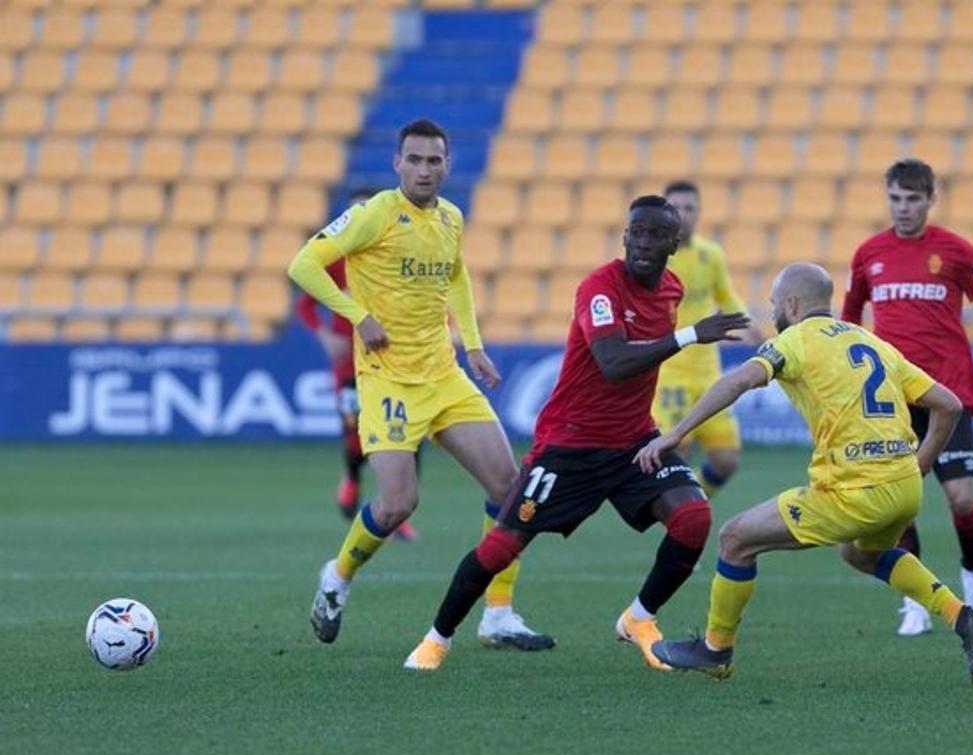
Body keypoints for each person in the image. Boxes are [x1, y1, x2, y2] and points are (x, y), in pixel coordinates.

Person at [402, 195, 750, 672]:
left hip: (632, 442)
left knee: (693, 519)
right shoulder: (599, 289)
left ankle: (639, 619)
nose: (644, 242)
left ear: (674, 243)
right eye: (637, 232)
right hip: (570, 444)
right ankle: (436, 638)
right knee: (502, 546)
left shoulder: (671, 288)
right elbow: (613, 363)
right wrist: (690, 335)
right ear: (625, 236)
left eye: (656, 234)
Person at [638, 263, 973, 686]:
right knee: (860, 553)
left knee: (735, 539)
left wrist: (676, 434)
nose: (774, 312)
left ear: (791, 304)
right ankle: (966, 619)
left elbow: (738, 381)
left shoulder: (793, 341)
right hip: (902, 487)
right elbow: (949, 405)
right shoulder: (871, 341)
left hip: (853, 490)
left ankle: (715, 651)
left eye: (775, 304)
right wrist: (918, 466)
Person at [288, 119, 553, 651]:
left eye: (435, 161)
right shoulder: (375, 214)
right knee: (396, 504)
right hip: (388, 380)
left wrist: (473, 344)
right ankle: (337, 577)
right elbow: (304, 265)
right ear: (398, 163)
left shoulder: (451, 218)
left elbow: (456, 274)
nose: (425, 170)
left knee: (511, 489)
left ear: (447, 165)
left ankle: (497, 614)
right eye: (415, 159)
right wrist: (357, 315)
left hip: (445, 374)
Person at [842, 159, 973, 636]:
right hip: (892, 399)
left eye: (913, 199)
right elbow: (851, 314)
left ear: (930, 200)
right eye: (895, 198)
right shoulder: (868, 254)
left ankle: (972, 576)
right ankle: (917, 598)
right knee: (900, 505)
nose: (903, 208)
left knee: (959, 497)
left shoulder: (955, 251)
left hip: (946, 393)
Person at [294, 190, 418, 540]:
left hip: (390, 361)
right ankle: (352, 476)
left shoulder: (392, 256)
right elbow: (304, 305)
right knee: (354, 433)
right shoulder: (334, 261)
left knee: (406, 436)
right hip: (349, 366)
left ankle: (396, 507)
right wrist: (323, 335)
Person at [653, 180, 762, 497]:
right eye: (677, 208)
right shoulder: (655, 259)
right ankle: (680, 515)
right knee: (677, 454)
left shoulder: (710, 254)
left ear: (699, 212)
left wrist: (745, 323)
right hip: (669, 372)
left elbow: (725, 295)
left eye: (690, 208)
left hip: (707, 373)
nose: (684, 215)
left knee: (726, 459)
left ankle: (691, 503)